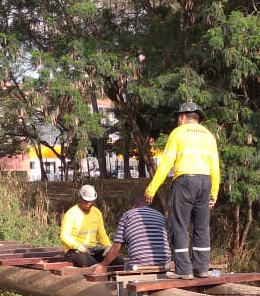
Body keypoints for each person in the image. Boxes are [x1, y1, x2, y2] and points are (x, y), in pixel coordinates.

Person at [143, 101, 220, 278]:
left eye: (178, 117)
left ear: (183, 117)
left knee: (179, 225)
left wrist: (151, 189)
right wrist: (214, 192)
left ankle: (183, 270)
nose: (178, 120)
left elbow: (166, 164)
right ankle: (201, 269)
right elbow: (215, 166)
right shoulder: (209, 136)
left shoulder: (178, 133)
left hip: (185, 181)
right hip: (205, 182)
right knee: (202, 227)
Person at [93, 193, 171, 275]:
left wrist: (102, 265)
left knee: (126, 266)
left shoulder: (127, 215)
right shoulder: (160, 215)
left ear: (133, 205)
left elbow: (116, 247)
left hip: (139, 265)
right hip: (164, 264)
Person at [60, 184, 113, 267]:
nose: (88, 203)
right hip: (74, 251)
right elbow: (64, 236)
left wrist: (108, 245)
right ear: (79, 198)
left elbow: (102, 234)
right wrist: (78, 246)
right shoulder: (71, 214)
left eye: (91, 201)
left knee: (117, 261)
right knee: (92, 265)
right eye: (86, 201)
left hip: (92, 249)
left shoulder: (96, 212)